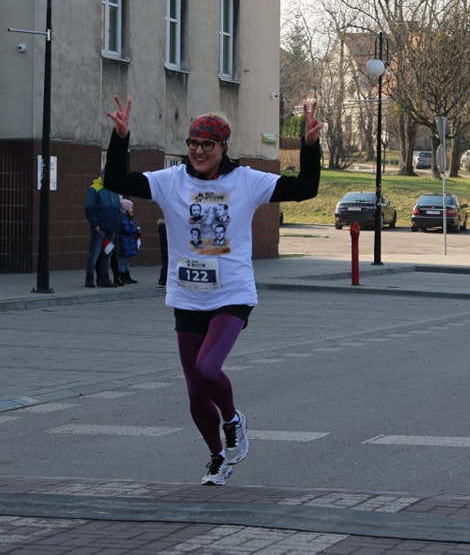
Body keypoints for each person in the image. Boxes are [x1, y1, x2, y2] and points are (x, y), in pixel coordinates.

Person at [103, 95, 323, 486]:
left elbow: (305, 188)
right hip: (187, 295)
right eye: (193, 143)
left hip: (232, 295)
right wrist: (120, 138)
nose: (199, 151)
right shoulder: (171, 181)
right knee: (194, 390)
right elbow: (116, 181)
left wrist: (309, 145)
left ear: (223, 147)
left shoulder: (247, 181)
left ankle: (233, 420)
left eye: (208, 144)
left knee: (207, 368)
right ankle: (218, 458)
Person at [84, 175, 122, 288]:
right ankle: (89, 278)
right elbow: (89, 207)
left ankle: (104, 278)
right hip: (100, 228)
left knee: (107, 253)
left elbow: (117, 208)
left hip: (111, 227)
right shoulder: (94, 188)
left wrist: (117, 222)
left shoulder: (114, 190)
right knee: (95, 253)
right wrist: (94, 224)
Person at [116, 198, 141, 284]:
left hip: (127, 241)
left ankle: (126, 276)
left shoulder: (127, 217)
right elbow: (127, 229)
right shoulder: (124, 217)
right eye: (131, 207)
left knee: (126, 260)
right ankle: (123, 276)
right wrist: (136, 229)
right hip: (125, 241)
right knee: (123, 261)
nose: (132, 209)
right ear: (126, 208)